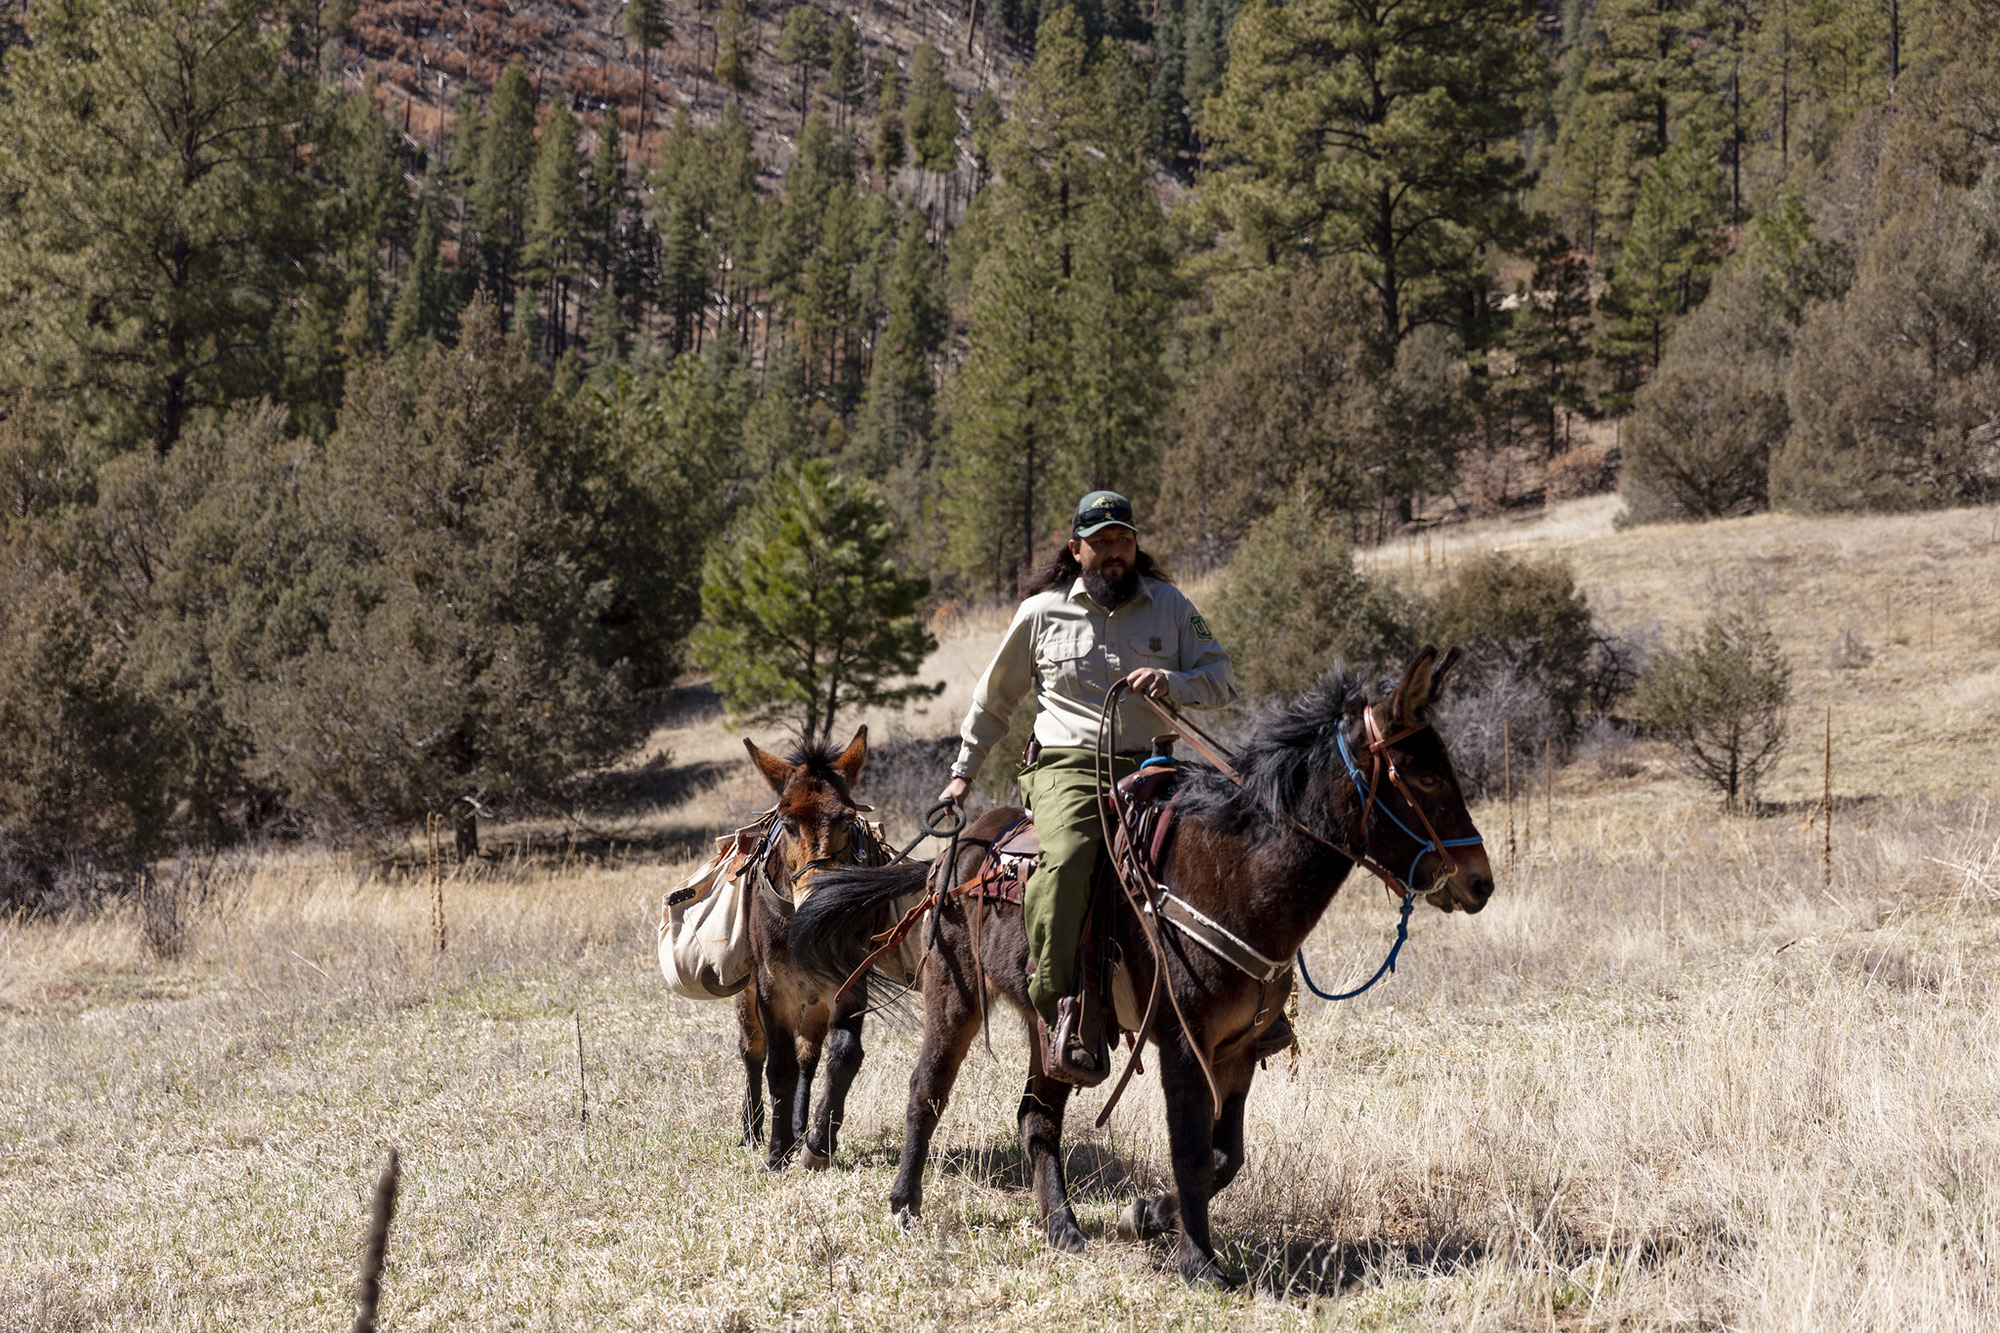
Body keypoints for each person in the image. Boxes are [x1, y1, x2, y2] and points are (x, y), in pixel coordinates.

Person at [938, 491, 1236, 1067]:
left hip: (1156, 763)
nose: (1114, 553)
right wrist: (962, 775)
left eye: (1123, 541)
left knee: (1226, 845)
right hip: (1067, 767)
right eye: (1100, 544)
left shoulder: (1171, 605)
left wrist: (1173, 681)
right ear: (1076, 550)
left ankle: (1245, 999)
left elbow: (1221, 677)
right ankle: (1061, 1005)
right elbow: (993, 699)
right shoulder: (1041, 613)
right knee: (1071, 856)